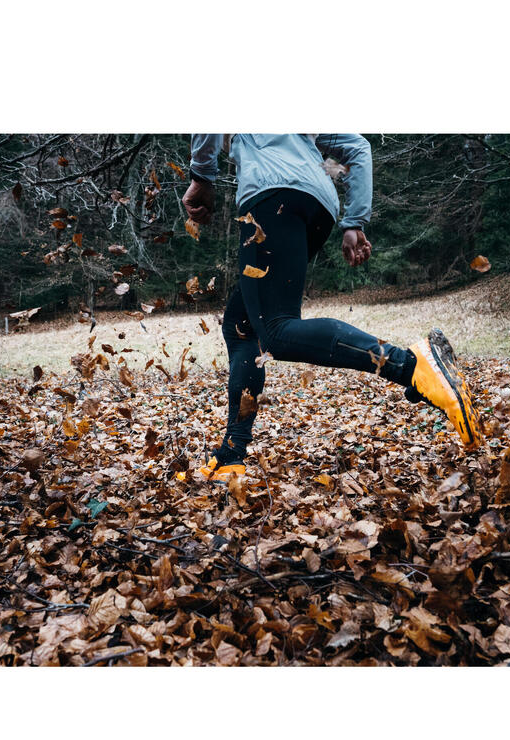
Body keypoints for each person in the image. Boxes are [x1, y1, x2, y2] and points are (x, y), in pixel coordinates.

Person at [182, 134, 480, 481]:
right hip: (317, 203)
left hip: (271, 195)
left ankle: (410, 366)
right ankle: (232, 455)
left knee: (276, 329)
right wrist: (355, 221)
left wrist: (202, 177)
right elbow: (358, 148)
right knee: (243, 324)